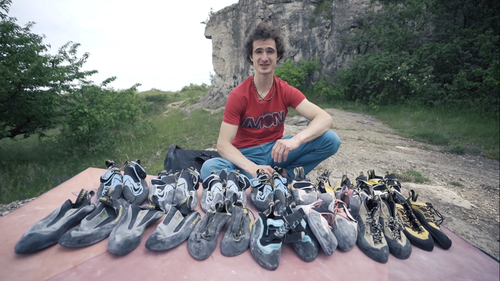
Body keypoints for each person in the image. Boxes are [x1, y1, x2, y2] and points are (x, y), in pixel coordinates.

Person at [200, 22, 341, 180]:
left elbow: (325, 119)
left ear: (278, 56)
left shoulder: (285, 90)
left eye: (270, 51)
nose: (264, 58)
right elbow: (223, 144)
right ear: (251, 56)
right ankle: (258, 177)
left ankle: (285, 175)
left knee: (331, 140)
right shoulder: (238, 95)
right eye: (259, 52)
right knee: (209, 168)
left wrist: (296, 140)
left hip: (276, 152)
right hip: (246, 154)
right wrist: (252, 168)